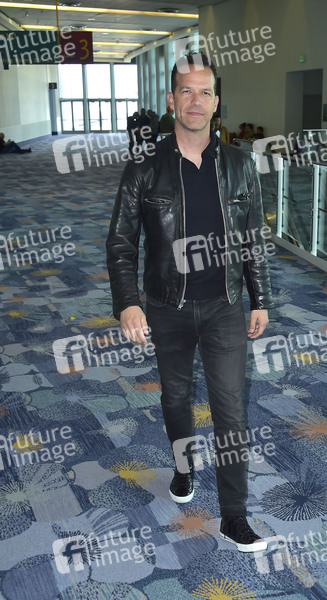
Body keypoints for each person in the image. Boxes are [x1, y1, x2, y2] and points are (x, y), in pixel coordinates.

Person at [106, 52, 274, 553]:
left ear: (216, 102)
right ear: (171, 100)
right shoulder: (145, 166)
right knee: (175, 398)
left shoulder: (240, 165)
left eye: (205, 92)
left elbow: (252, 238)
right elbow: (120, 242)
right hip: (166, 306)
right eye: (186, 91)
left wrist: (260, 298)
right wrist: (127, 302)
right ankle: (183, 468)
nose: (195, 101)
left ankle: (234, 516)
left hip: (224, 305)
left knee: (231, 412)